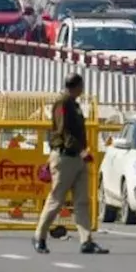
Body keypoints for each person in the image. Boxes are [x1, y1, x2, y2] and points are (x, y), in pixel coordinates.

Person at [33, 73, 109, 255]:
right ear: (76, 86)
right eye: (81, 86)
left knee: (82, 201)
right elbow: (63, 130)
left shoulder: (74, 104)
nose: (83, 90)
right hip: (65, 156)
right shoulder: (63, 103)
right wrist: (79, 149)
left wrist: (81, 152)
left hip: (77, 157)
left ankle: (86, 240)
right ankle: (40, 236)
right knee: (57, 199)